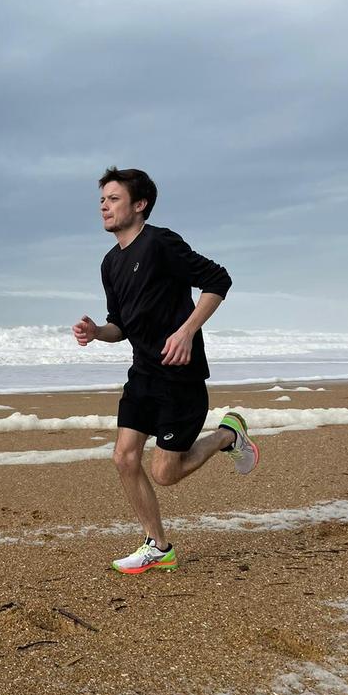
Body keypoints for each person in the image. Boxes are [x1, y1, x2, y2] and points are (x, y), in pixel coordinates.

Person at [72, 166, 259, 575]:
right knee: (123, 458)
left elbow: (218, 280)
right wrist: (95, 332)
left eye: (114, 198)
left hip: (180, 375)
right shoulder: (109, 263)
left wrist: (187, 331)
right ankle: (159, 546)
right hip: (143, 372)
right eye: (102, 199)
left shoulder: (160, 243)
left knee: (164, 473)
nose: (104, 205)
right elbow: (120, 325)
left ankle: (229, 434)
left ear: (139, 205)